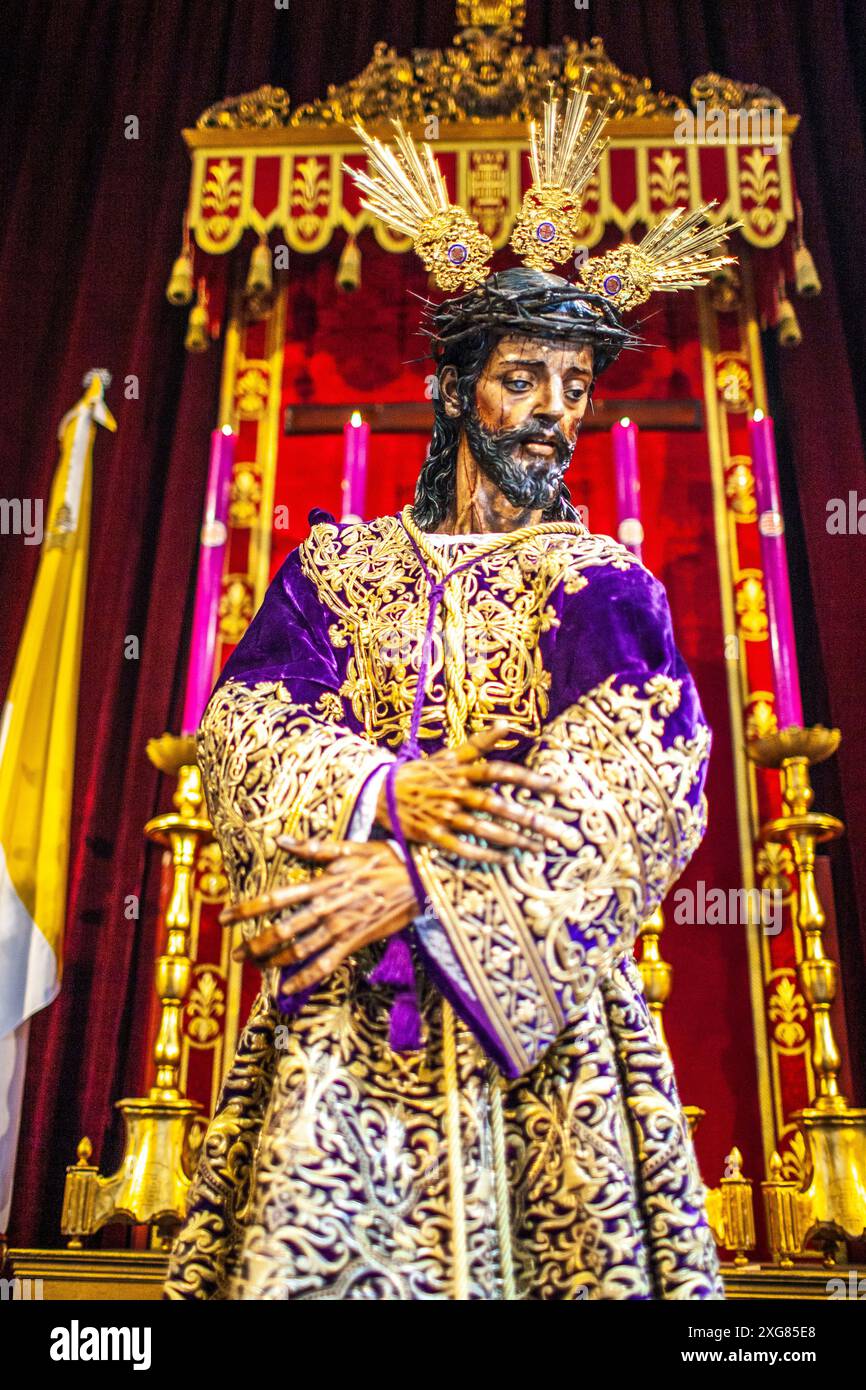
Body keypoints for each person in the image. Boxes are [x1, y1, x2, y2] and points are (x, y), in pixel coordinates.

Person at [165, 88, 735, 1301]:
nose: (553, 416)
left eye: (576, 386)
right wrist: (383, 790)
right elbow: (242, 730)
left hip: (543, 1028)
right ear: (452, 389)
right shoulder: (338, 569)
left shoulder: (599, 584)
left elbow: (637, 785)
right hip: (344, 1021)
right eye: (523, 379)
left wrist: (421, 882)